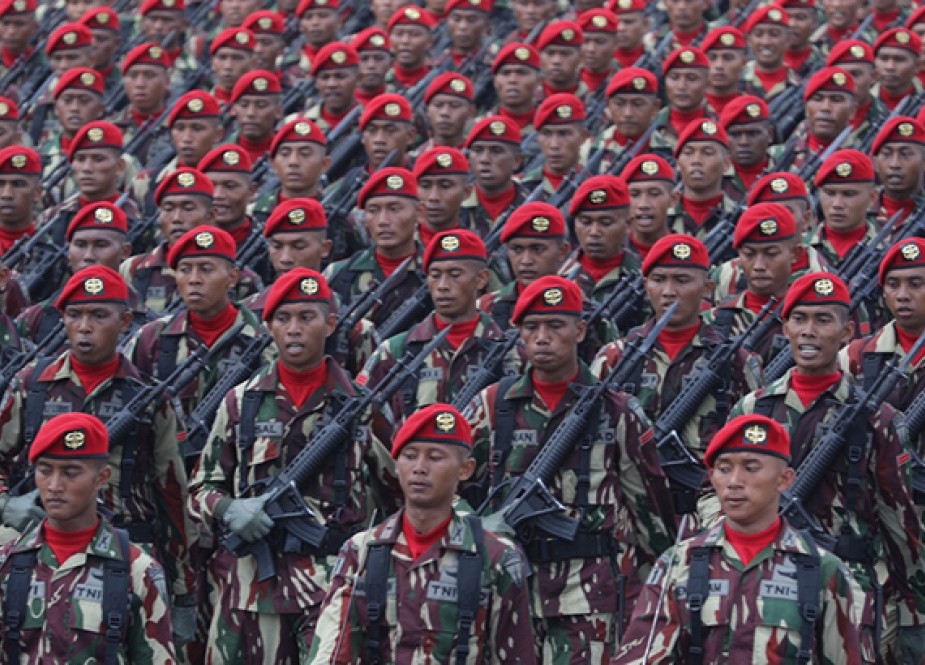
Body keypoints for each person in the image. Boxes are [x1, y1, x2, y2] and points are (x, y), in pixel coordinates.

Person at [189, 268, 399, 664]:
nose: (295, 329)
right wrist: (230, 508)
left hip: (332, 589)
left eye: (307, 317)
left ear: (330, 323)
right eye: (283, 319)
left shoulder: (359, 406)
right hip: (249, 590)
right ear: (268, 326)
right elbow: (199, 489)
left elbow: (401, 494)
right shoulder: (240, 403)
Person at [466, 275, 676, 662]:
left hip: (590, 591)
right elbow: (451, 482)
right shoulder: (494, 406)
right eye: (531, 327)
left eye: (555, 326)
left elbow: (647, 505)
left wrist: (657, 585)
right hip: (510, 587)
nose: (542, 337)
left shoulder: (617, 410)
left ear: (580, 331)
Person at [729, 272, 925, 663]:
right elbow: (717, 494)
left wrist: (913, 609)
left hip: (850, 588)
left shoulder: (876, 418)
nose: (809, 332)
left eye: (823, 320)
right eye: (799, 319)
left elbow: (899, 520)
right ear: (785, 328)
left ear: (846, 330)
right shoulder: (754, 409)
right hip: (767, 583)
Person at [0, 266, 196, 644]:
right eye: (75, 315)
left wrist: (183, 586)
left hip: (124, 553)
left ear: (124, 321)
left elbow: (171, 491)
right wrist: (7, 505)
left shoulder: (149, 397)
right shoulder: (32, 385)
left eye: (99, 315)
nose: (85, 326)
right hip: (39, 551)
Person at [612, 414, 861, 665]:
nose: (734, 482)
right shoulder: (678, 564)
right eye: (724, 469)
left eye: (751, 468)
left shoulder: (822, 570)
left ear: (784, 479)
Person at [308, 403, 536, 664]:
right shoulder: (361, 552)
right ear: (396, 466)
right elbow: (332, 651)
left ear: (465, 469)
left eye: (435, 457)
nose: (419, 468)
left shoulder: (496, 557)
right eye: (410, 455)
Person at [0, 412, 177, 662]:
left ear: (101, 478)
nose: (54, 485)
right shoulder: (7, 563)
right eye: (45, 470)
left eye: (70, 473)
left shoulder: (138, 572)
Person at [592, 234, 761, 463]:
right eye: (659, 279)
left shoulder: (735, 362)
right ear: (645, 285)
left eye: (682, 280)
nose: (669, 291)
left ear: (707, 288)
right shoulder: (615, 358)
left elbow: (755, 441)